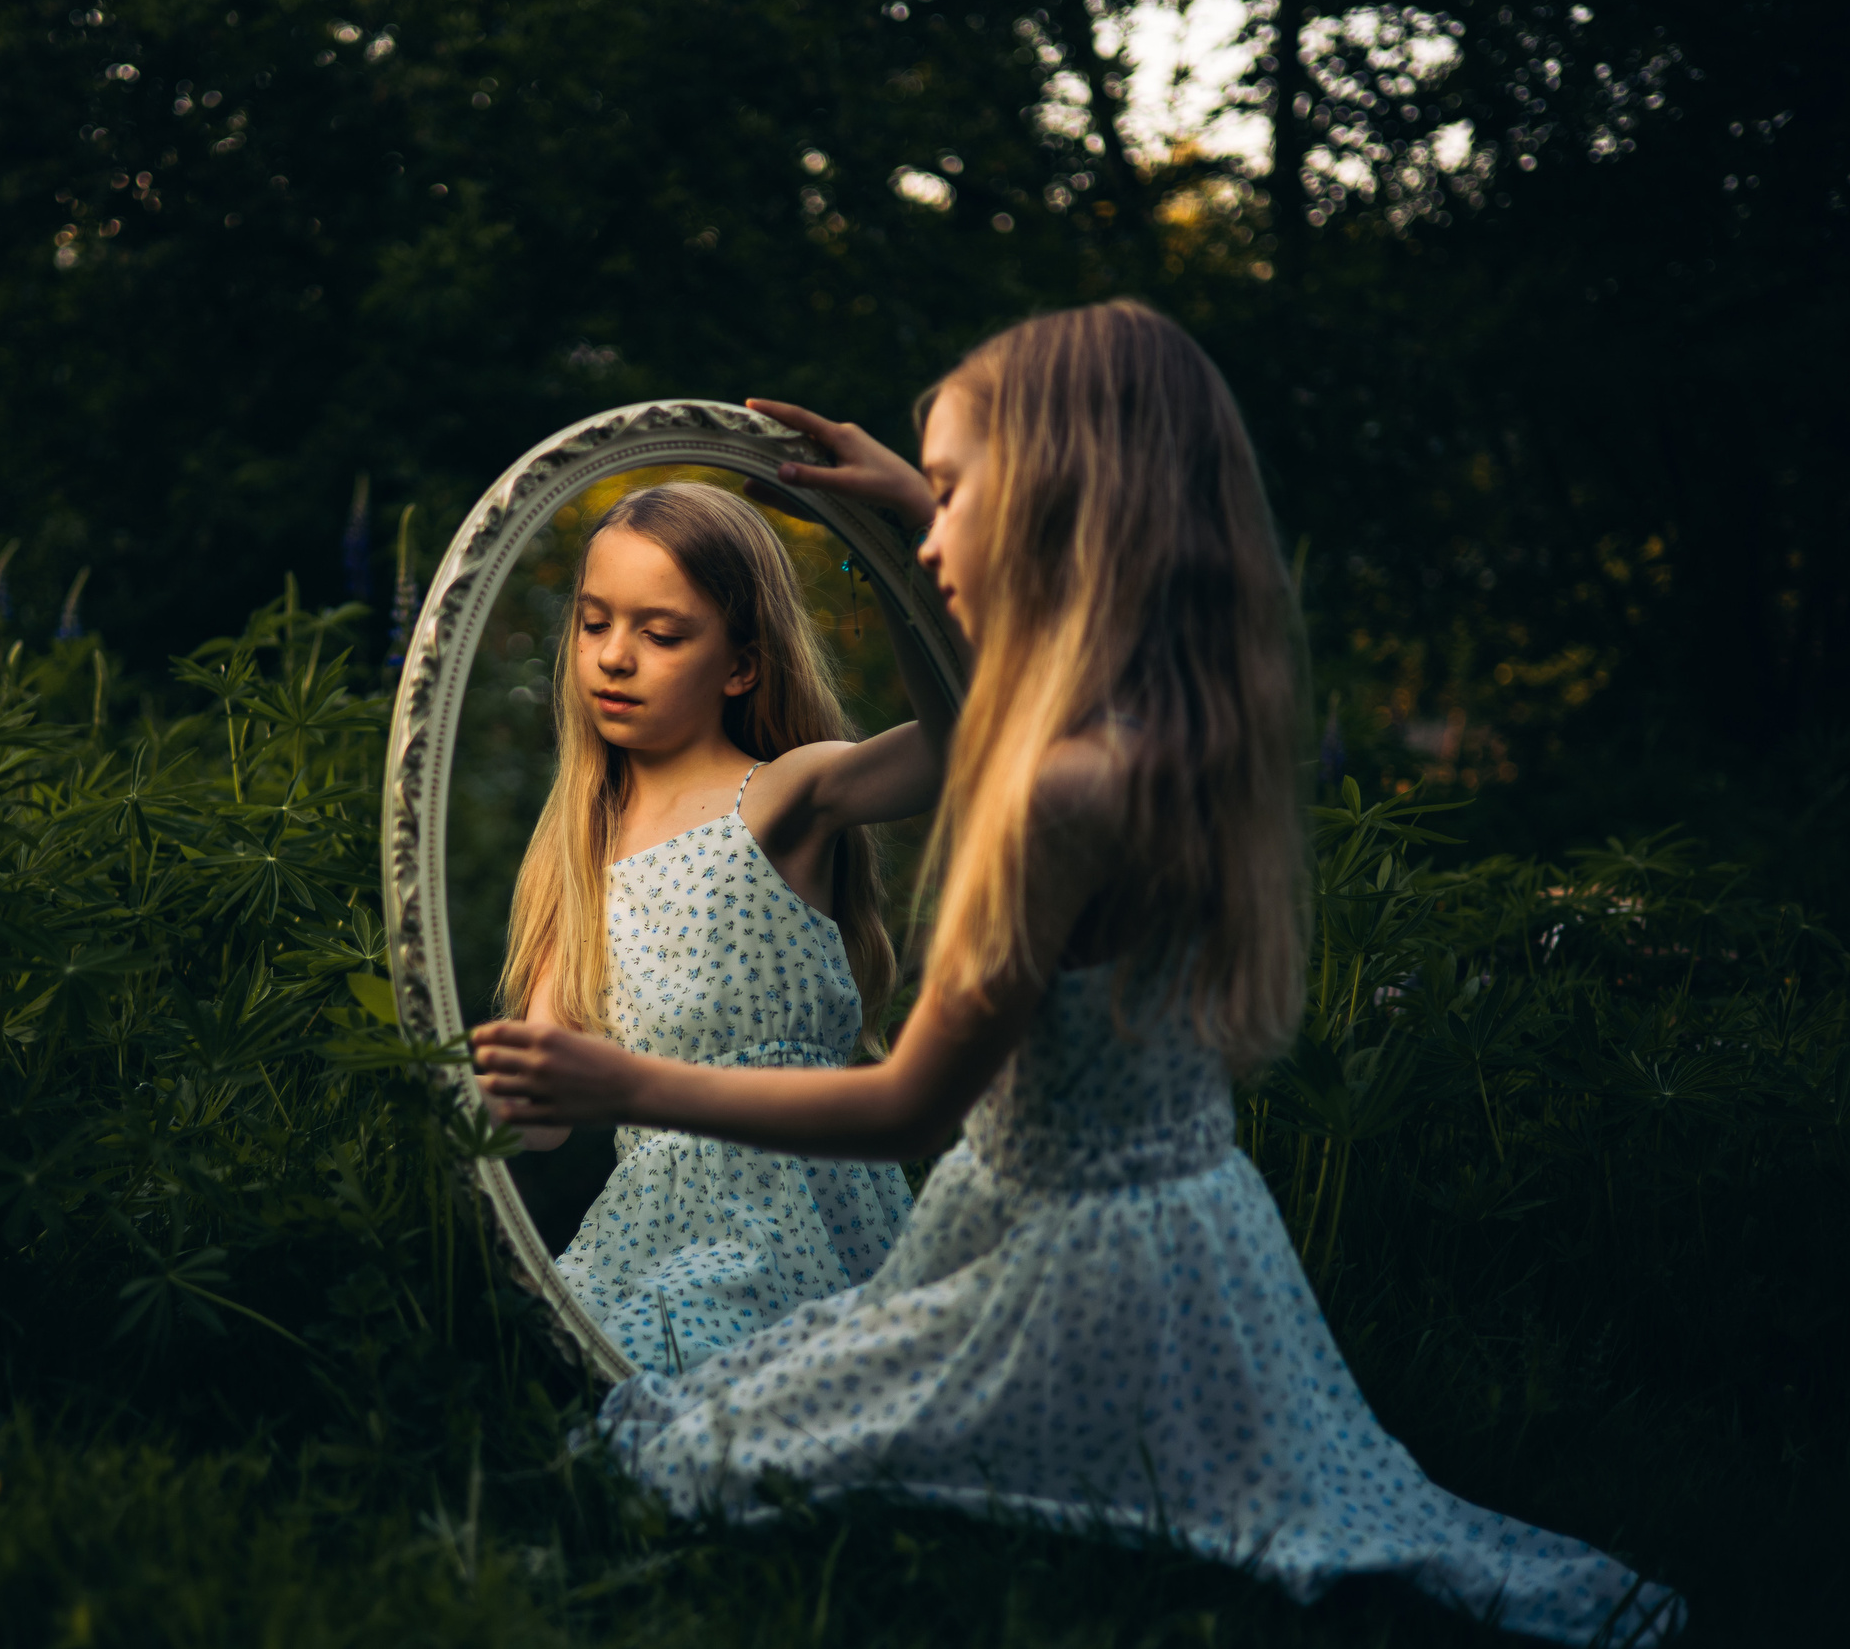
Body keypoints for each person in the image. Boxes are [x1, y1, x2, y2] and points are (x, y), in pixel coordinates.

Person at [473, 305, 1683, 1646]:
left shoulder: (1052, 790)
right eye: (921, 503)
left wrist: (626, 1079)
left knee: (676, 1458)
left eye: (948, 499)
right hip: (1194, 1239)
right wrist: (894, 503)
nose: (928, 537)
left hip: (1063, 1267)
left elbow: (908, 1109)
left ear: (1061, 514)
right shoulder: (1148, 736)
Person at [499, 479, 948, 1375]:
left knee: (718, 1393)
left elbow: (968, 739)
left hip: (799, 1219)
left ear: (740, 664)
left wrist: (900, 553)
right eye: (593, 624)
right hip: (647, 1230)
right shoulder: (577, 860)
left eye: (660, 634)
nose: (614, 657)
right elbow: (537, 1115)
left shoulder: (779, 795)